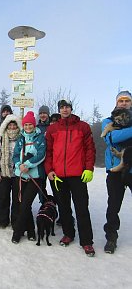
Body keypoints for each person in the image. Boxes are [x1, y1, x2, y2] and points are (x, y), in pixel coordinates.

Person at [45, 99, 96, 257]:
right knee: (64, 207)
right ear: (59, 110)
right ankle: (68, 234)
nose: (64, 110)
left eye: (67, 107)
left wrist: (88, 169)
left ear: (71, 109)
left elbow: (90, 149)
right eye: (62, 107)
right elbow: (49, 152)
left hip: (78, 175)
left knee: (82, 208)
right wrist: (49, 170)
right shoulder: (53, 129)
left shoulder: (83, 127)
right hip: (59, 176)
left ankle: (87, 241)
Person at [102, 90, 132, 254]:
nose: (124, 103)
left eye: (127, 100)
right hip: (114, 170)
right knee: (113, 206)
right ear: (116, 103)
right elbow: (112, 138)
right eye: (121, 101)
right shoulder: (108, 120)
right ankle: (111, 237)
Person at [11, 111, 46, 244]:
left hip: (34, 176)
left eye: (30, 124)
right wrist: (19, 164)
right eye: (26, 125)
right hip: (20, 175)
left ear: (34, 125)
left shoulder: (40, 137)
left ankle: (17, 232)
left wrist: (28, 164)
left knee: (26, 204)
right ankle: (31, 231)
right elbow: (15, 155)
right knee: (22, 205)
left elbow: (41, 155)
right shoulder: (21, 138)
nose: (28, 127)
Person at [0, 114, 22, 228]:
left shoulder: (21, 137)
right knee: (3, 197)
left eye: (14, 125)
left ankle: (16, 221)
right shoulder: (1, 137)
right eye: (10, 125)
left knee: (17, 199)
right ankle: (2, 221)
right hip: (4, 173)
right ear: (6, 126)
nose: (12, 127)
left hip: (18, 173)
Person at [36, 105, 51, 203]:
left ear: (48, 114)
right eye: (41, 113)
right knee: (40, 186)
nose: (42, 115)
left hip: (52, 160)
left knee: (56, 186)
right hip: (40, 161)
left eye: (44, 113)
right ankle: (45, 204)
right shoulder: (36, 128)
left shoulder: (53, 126)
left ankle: (58, 205)